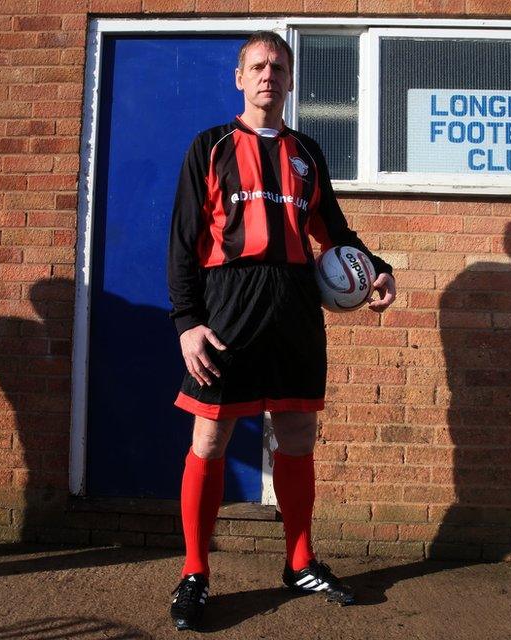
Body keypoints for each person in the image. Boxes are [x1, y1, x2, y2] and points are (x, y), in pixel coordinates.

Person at [166, 31, 397, 630]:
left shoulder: (307, 152)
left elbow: (335, 232)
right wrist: (188, 322)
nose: (269, 74)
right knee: (211, 440)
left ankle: (300, 561)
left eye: (279, 66)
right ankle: (195, 571)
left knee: (297, 433)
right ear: (239, 78)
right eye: (257, 66)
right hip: (228, 308)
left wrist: (379, 269)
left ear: (291, 81)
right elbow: (183, 243)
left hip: (295, 307)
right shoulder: (209, 147)